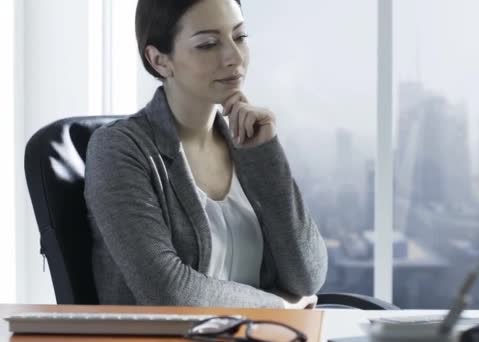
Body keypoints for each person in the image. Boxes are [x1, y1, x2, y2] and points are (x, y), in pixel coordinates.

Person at [84, 0, 327, 309]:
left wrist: (266, 157)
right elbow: (168, 293)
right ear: (160, 61)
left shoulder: (247, 145)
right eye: (209, 44)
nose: (234, 57)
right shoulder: (119, 150)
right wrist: (278, 307)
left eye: (239, 37)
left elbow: (307, 277)